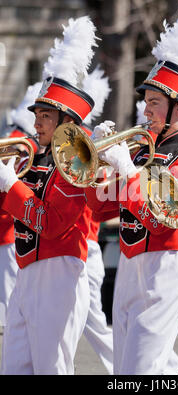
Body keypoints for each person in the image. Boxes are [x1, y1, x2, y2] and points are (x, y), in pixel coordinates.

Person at [85, 0, 178, 375]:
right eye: (146, 101)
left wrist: (127, 171)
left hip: (163, 264)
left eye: (155, 103)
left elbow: (163, 219)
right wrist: (96, 166)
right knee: (125, 371)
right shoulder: (143, 150)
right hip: (130, 263)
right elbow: (100, 209)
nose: (145, 111)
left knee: (143, 372)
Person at [0, 16, 98, 375]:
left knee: (51, 369)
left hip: (59, 272)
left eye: (45, 116)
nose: (37, 123)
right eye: (37, 115)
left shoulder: (75, 163)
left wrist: (10, 185)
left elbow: (52, 223)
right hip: (26, 271)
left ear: (65, 122)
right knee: (14, 368)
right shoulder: (34, 157)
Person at [80, 67, 114, 374]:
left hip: (86, 247)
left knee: (95, 321)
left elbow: (99, 202)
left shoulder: (94, 156)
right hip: (71, 248)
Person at [0, 82, 42, 329]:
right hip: (9, 228)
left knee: (10, 289)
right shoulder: (19, 140)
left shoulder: (16, 139)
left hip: (9, 229)